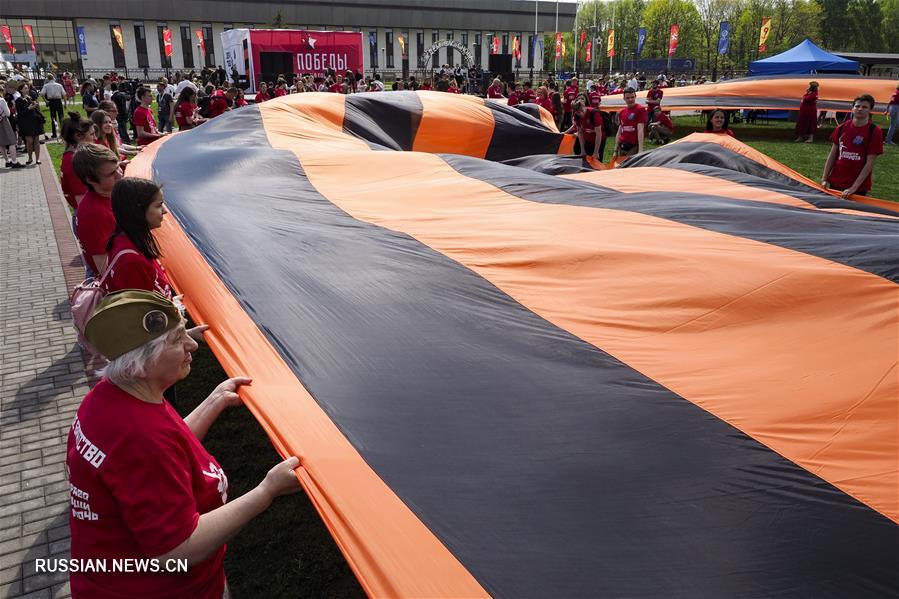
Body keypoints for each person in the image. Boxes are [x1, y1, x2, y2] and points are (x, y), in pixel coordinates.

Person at [68, 290, 301, 598]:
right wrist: (266, 491)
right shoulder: (140, 438)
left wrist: (213, 401)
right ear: (143, 361)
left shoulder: (109, 397)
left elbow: (170, 445)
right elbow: (176, 551)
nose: (192, 344)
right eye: (178, 339)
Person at [104, 178, 172, 296]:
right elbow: (145, 310)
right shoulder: (132, 262)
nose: (165, 211)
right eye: (159, 205)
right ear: (138, 210)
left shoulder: (126, 240)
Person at [73, 144, 123, 275]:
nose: (119, 175)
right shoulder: (93, 215)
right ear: (90, 180)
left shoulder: (110, 195)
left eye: (118, 167)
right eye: (111, 173)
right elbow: (105, 269)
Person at [821, 94, 883, 198]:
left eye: (864, 107)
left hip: (858, 186)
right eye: (857, 106)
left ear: (870, 110)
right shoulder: (841, 128)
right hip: (836, 180)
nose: (860, 109)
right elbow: (832, 155)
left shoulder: (874, 131)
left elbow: (869, 163)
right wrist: (824, 179)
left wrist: (854, 188)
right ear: (852, 108)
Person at [60, 113, 98, 208]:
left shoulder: (76, 156)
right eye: (92, 134)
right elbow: (82, 201)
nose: (95, 138)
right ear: (78, 136)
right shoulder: (73, 162)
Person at [14, 83, 44, 165]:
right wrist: (29, 108)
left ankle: (38, 159)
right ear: (21, 90)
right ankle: (30, 158)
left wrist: (35, 105)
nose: (27, 90)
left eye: (27, 88)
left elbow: (34, 109)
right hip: (25, 123)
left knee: (36, 141)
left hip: (34, 121)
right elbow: (20, 113)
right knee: (29, 141)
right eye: (25, 88)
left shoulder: (30, 98)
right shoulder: (18, 101)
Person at [614, 88, 647, 157]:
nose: (630, 100)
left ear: (635, 96)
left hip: (633, 146)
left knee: (629, 166)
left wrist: (640, 149)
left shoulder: (640, 109)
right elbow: (619, 131)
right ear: (624, 98)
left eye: (632, 97)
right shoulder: (622, 112)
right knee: (621, 166)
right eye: (628, 98)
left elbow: (640, 129)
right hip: (622, 145)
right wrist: (615, 150)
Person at [41, 73, 66, 138]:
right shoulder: (59, 85)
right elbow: (64, 94)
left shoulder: (46, 85)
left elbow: (42, 94)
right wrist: (65, 103)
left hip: (51, 102)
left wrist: (46, 101)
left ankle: (54, 133)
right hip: (58, 101)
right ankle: (63, 133)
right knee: (61, 117)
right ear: (53, 78)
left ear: (47, 79)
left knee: (53, 118)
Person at [0, 94, 21, 168]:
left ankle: (7, 161)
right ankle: (14, 162)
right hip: (3, 121)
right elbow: (8, 113)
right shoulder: (1, 100)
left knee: (1, 143)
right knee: (12, 142)